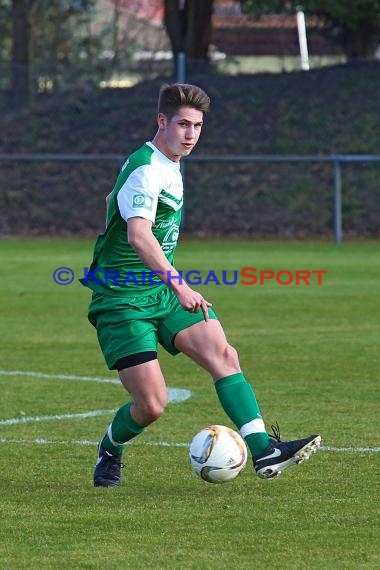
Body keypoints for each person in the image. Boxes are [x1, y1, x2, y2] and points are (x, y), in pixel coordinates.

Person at [81, 83, 321, 487]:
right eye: (182, 124)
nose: (190, 134)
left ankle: (263, 448)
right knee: (152, 404)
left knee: (224, 354)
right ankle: (111, 448)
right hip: (121, 300)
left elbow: (115, 199)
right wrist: (180, 286)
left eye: (197, 126)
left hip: (158, 290)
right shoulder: (146, 169)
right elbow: (140, 236)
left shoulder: (164, 163)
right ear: (162, 121)